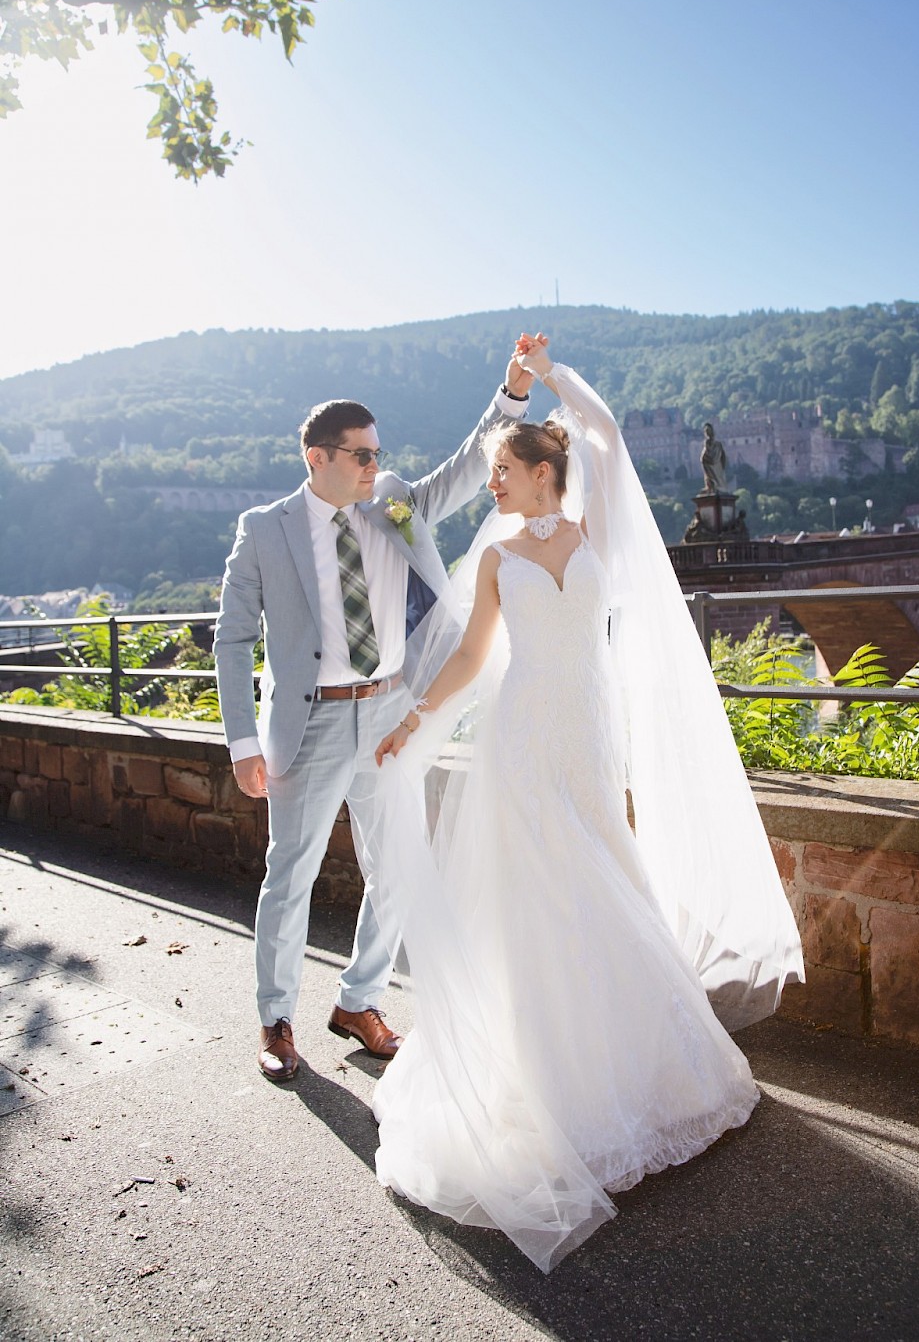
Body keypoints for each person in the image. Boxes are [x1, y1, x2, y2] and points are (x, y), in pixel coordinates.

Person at [357, 334, 803, 1272]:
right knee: (546, 897)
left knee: (606, 876)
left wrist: (548, 374)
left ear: (543, 470)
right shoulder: (495, 558)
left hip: (589, 737)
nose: (493, 487)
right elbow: (476, 658)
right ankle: (559, 1090)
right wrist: (414, 722)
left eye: (503, 472)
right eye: (492, 475)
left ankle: (646, 1078)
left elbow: (602, 429)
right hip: (525, 738)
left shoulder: (597, 530)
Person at [213, 351, 538, 1082]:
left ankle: (358, 1002)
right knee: (290, 876)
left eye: (377, 454)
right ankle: (276, 1021)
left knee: (397, 868)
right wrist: (241, 740)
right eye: (360, 455)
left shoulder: (391, 501)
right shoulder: (265, 529)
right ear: (316, 457)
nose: (373, 465)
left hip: (389, 713)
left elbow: (459, 473)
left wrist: (512, 395)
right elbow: (232, 638)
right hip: (311, 725)